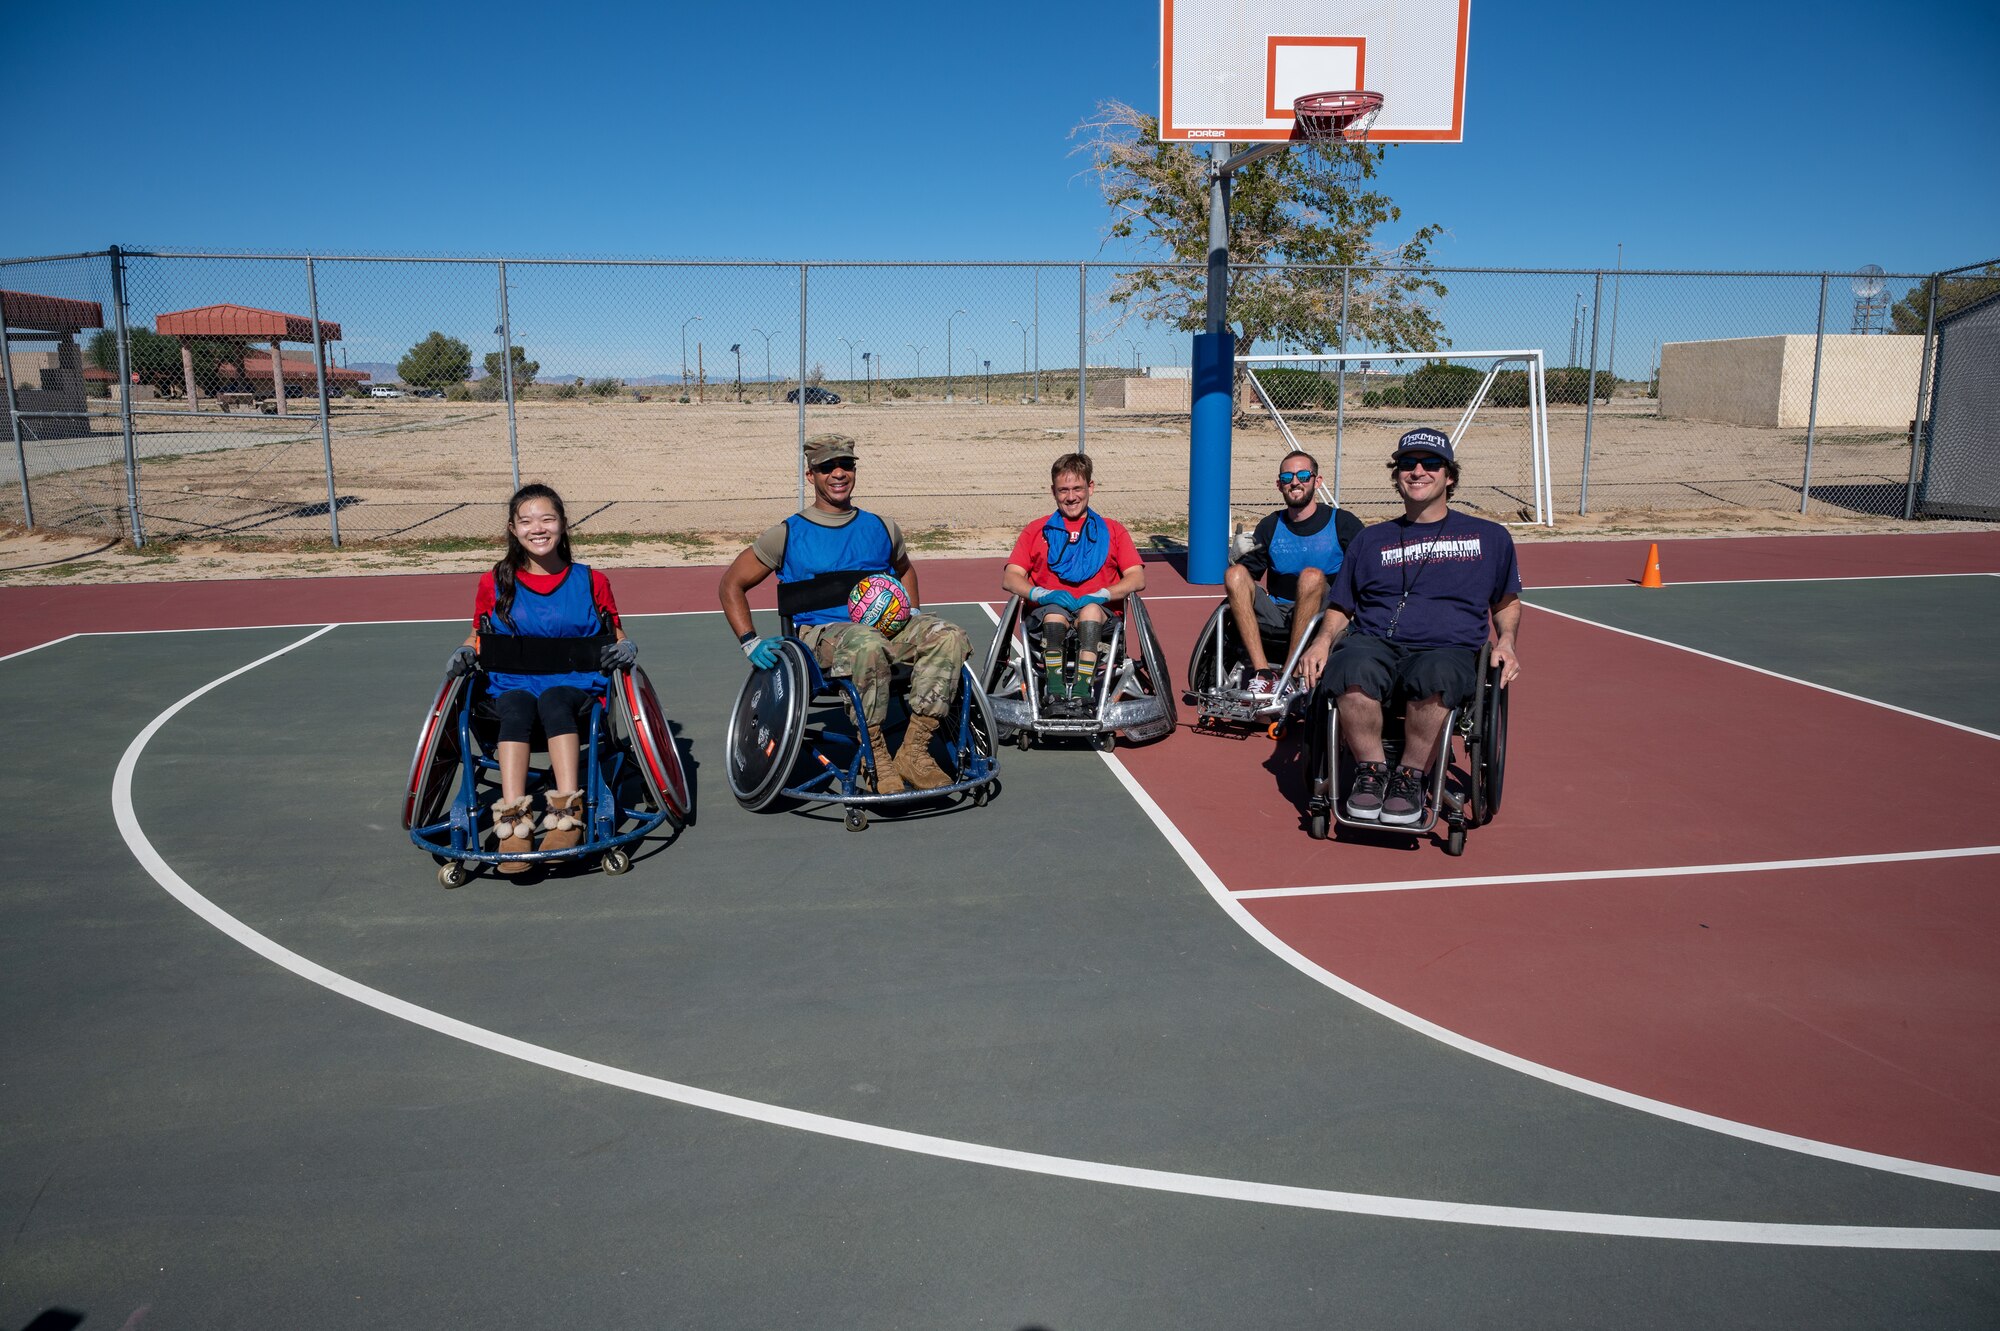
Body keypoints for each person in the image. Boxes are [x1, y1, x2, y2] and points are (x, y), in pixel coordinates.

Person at [718, 433, 970, 795]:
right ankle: (876, 758)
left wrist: (910, 612)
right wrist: (749, 642)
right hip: (821, 638)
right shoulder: (787, 534)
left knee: (949, 635)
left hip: (884, 629)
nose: (838, 473)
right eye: (827, 467)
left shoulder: (882, 527)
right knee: (865, 643)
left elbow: (905, 569)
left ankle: (914, 751)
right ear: (811, 475)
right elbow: (731, 584)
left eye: (846, 465)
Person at [1296, 428, 1523, 827]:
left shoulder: (1490, 538)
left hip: (1447, 648)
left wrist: (1506, 641)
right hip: (1376, 643)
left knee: (1438, 675)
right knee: (1349, 666)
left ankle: (1409, 777)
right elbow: (1341, 607)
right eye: (1407, 464)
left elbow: (1505, 602)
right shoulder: (1370, 540)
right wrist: (1320, 642)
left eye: (1431, 463)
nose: (1418, 471)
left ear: (1449, 476)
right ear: (1397, 475)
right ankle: (1371, 771)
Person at [445, 483, 634, 872]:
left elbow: (614, 630)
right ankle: (513, 820)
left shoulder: (591, 580)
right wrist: (465, 648)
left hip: (576, 685)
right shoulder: (494, 581)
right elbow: (479, 631)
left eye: (547, 519)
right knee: (513, 706)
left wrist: (627, 646)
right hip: (513, 683)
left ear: (563, 524)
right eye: (526, 521)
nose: (538, 528)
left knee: (554, 700)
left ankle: (566, 813)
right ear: (513, 529)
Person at [1000, 452, 1147, 713]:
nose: (1070, 497)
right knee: (1055, 616)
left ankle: (1082, 693)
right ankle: (1055, 694)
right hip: (1047, 614)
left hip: (1100, 617)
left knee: (1089, 612)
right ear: (1053, 491)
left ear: (1091, 487)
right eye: (1063, 490)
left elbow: (1137, 577)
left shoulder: (1113, 530)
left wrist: (1103, 594)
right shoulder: (1036, 530)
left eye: (1077, 488)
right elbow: (1010, 577)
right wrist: (1041, 594)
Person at [1223, 449, 1362, 695]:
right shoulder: (1270, 525)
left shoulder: (1342, 523)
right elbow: (1248, 578)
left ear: (1317, 481)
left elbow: (1364, 571)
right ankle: (1262, 673)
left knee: (1311, 576)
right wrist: (1235, 559)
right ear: (1279, 485)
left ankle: (1288, 675)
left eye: (1303, 475)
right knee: (1234, 575)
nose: (1295, 482)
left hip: (1323, 610)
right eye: (1287, 478)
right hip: (1279, 611)